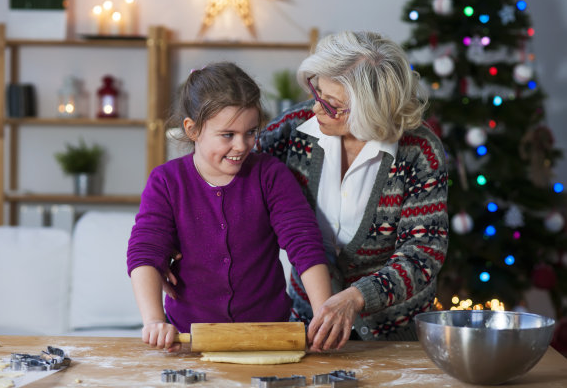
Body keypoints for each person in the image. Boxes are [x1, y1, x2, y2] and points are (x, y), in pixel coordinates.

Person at [256, 31, 449, 351]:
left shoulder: (419, 151)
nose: (315, 109)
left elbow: (422, 253)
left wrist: (355, 298)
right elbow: (230, 179)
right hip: (309, 324)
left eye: (332, 106)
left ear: (371, 111)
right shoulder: (295, 128)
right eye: (316, 91)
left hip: (393, 337)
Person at [127, 62, 332, 352]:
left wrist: (324, 312)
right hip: (189, 339)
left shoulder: (270, 175)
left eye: (251, 132)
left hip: (267, 336)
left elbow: (304, 243)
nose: (242, 145)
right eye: (228, 135)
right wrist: (154, 322)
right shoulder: (166, 181)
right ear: (192, 129)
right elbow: (145, 253)